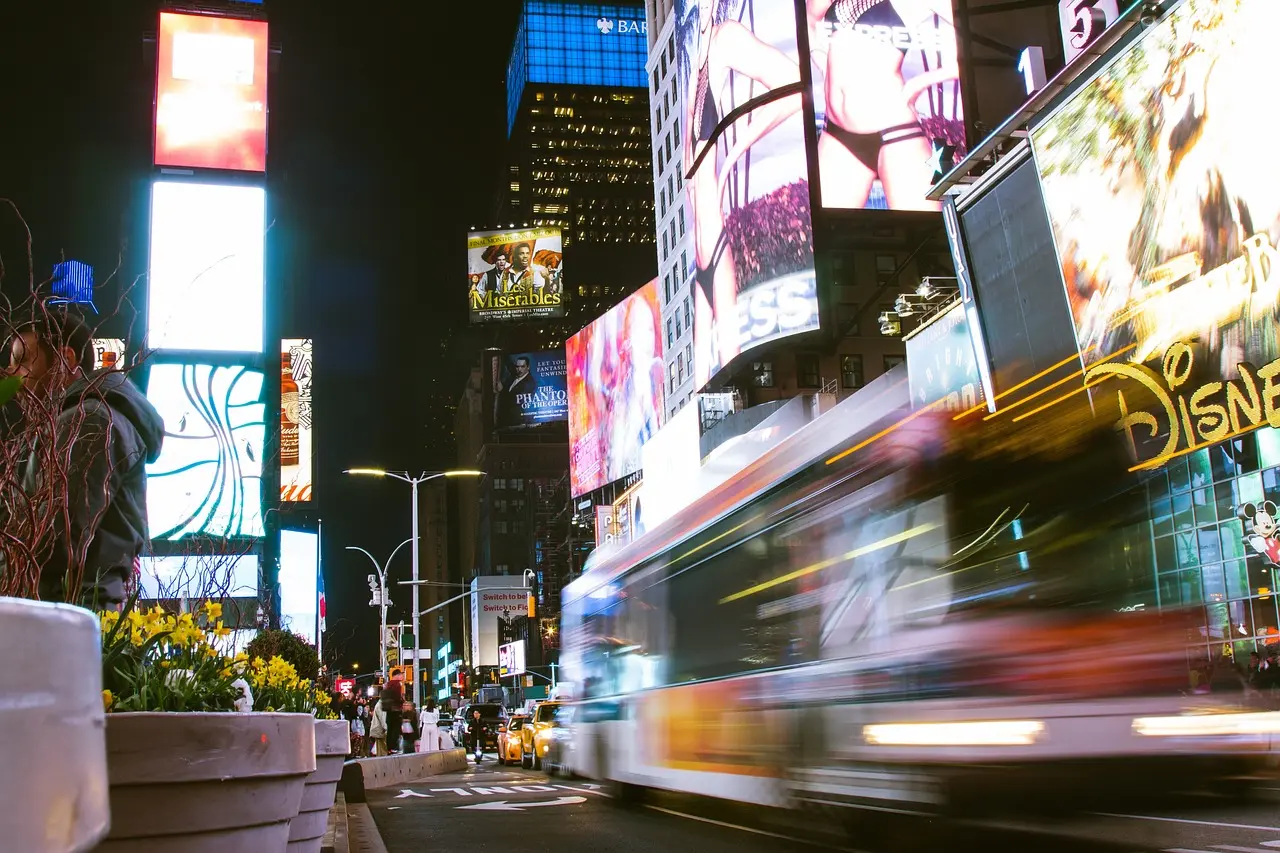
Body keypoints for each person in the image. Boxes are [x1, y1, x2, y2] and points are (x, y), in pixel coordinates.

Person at [3, 305, 164, 609]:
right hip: (66, 611)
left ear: (66, 359)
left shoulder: (89, 419)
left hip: (64, 615)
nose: (11, 374)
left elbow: (56, 535)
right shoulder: (80, 419)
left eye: (23, 360)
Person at [381, 679, 404, 753]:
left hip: (390, 712)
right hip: (395, 711)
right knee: (395, 729)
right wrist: (402, 700)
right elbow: (398, 698)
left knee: (390, 729)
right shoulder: (397, 685)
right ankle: (393, 747)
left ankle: (390, 748)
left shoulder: (387, 692)